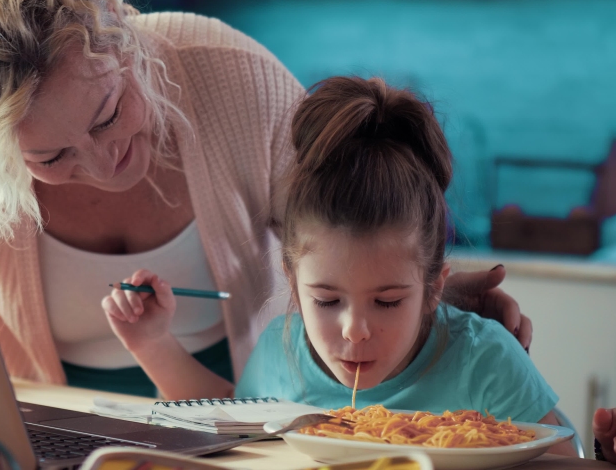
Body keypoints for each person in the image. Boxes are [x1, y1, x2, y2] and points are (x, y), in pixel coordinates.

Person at [0, 0, 530, 396]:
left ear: (120, 38)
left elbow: (347, 235)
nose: (104, 161)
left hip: (237, 403)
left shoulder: (232, 80)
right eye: (50, 156)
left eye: (109, 113)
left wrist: (420, 295)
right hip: (42, 415)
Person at [103, 76, 575, 455]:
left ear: (435, 287)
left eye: (388, 301)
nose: (354, 330)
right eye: (326, 300)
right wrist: (153, 344)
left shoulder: (484, 359)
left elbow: (565, 458)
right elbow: (227, 423)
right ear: (291, 278)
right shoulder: (279, 352)